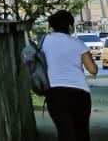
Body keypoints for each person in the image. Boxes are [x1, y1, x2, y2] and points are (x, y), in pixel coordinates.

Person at [40, 8, 97, 141]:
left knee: (65, 132)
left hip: (55, 93)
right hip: (80, 93)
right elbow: (93, 69)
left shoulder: (44, 41)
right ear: (70, 26)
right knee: (81, 132)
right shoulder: (78, 43)